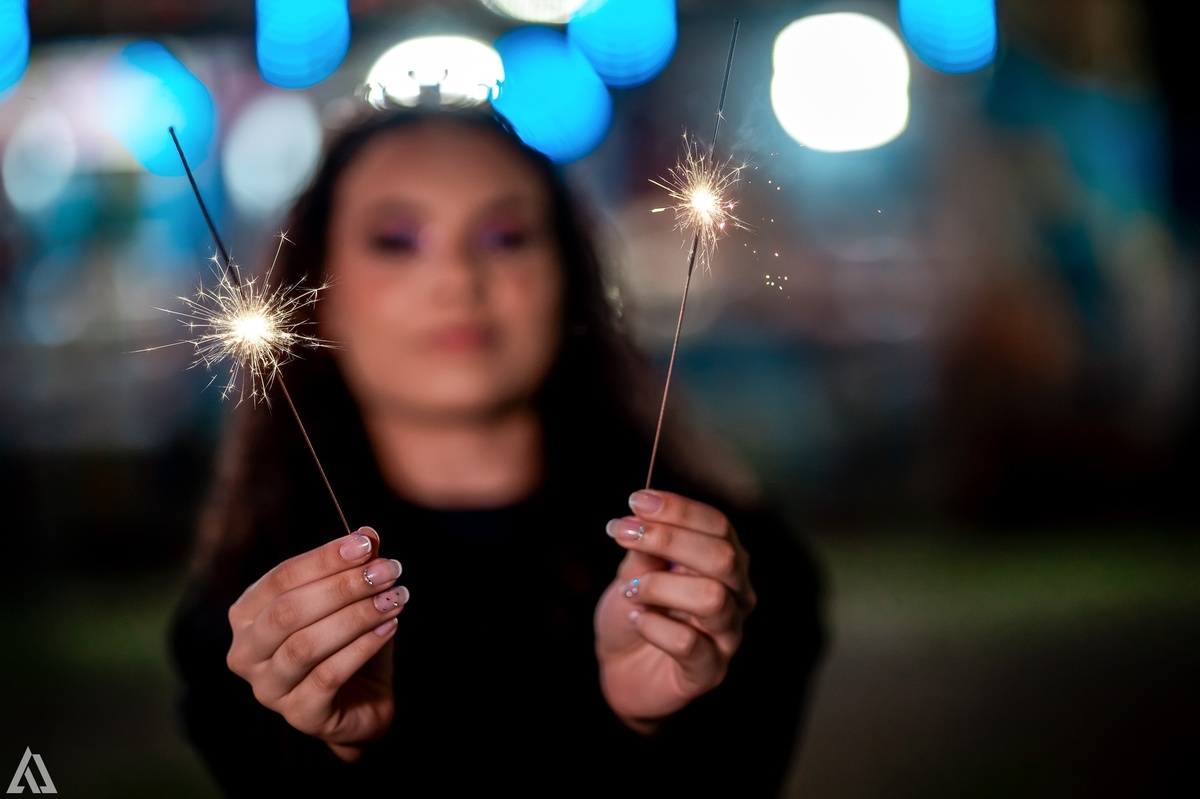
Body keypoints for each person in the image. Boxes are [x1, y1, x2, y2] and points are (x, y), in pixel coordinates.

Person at [167, 101, 826, 796]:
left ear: (571, 279)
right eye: (396, 240)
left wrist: (657, 722)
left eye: (506, 236)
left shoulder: (727, 575)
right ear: (315, 296)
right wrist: (330, 748)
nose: (457, 278)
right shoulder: (258, 616)